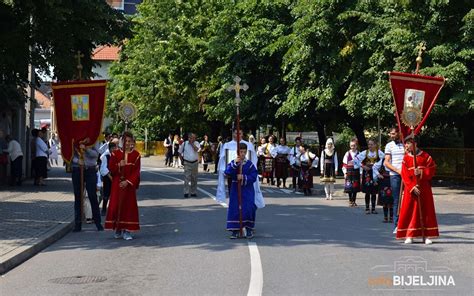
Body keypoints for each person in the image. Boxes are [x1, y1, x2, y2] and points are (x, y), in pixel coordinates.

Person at [396, 136, 438, 245]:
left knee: (426, 211)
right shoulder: (406, 158)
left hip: (424, 189)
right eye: (405, 143)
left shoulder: (426, 156)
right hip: (411, 189)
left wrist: (421, 172)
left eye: (408, 143)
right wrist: (411, 187)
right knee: (409, 211)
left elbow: (432, 170)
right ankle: (409, 235)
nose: (406, 146)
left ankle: (427, 235)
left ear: (414, 144)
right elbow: (404, 175)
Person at [216, 128, 264, 210]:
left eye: (240, 133)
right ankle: (234, 209)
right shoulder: (227, 145)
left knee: (246, 194)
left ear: (242, 134)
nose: (237, 135)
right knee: (234, 193)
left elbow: (253, 159)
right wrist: (224, 171)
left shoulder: (249, 145)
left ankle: (245, 209)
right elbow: (223, 160)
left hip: (246, 174)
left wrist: (252, 171)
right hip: (233, 175)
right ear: (233, 134)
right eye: (235, 133)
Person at [105, 132, 141, 240]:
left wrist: (128, 181)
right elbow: (111, 168)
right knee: (116, 206)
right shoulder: (115, 154)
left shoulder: (136, 155)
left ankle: (127, 230)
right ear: (122, 142)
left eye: (130, 141)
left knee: (128, 207)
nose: (127, 143)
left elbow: (136, 172)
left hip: (129, 186)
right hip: (117, 184)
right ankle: (118, 228)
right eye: (126, 141)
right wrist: (119, 165)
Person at [225, 142, 260, 239]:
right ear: (237, 152)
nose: (243, 154)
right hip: (236, 189)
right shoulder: (233, 163)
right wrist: (235, 164)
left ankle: (248, 229)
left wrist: (243, 177)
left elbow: (253, 176)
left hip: (247, 189)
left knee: (248, 208)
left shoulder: (249, 165)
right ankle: (235, 230)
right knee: (235, 208)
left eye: (244, 152)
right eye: (241, 152)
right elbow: (227, 172)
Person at [71, 139, 103, 232]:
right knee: (78, 196)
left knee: (92, 195)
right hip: (77, 169)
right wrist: (77, 161)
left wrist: (86, 149)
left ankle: (98, 222)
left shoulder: (94, 137)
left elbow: (96, 154)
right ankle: (78, 224)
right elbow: (69, 154)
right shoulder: (74, 137)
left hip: (90, 169)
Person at [383, 127, 405, 234]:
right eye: (391, 134)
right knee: (397, 200)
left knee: (409, 199)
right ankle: (397, 225)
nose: (392, 135)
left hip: (407, 175)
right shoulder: (389, 145)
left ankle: (409, 223)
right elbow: (386, 162)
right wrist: (398, 170)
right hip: (395, 175)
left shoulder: (406, 144)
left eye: (394, 133)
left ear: (399, 133)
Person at [355, 138, 385, 213]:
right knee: (367, 191)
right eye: (369, 144)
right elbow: (356, 159)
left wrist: (380, 169)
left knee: (374, 191)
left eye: (371, 144)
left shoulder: (379, 153)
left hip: (375, 173)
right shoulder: (365, 152)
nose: (370, 146)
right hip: (367, 174)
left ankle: (374, 208)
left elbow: (385, 160)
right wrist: (362, 166)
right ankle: (367, 208)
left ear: (375, 145)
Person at [179, 133, 200, 198]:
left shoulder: (197, 143)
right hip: (187, 162)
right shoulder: (184, 143)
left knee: (194, 178)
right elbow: (180, 152)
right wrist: (182, 160)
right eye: (191, 138)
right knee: (187, 178)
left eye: (194, 138)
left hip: (195, 162)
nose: (193, 139)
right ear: (189, 138)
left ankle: (193, 192)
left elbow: (197, 150)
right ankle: (186, 192)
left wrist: (192, 144)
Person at [99, 141, 118, 216]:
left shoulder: (115, 155)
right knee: (106, 193)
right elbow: (103, 169)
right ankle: (104, 209)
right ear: (110, 148)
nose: (114, 149)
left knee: (114, 194)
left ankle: (113, 209)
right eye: (113, 148)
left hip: (114, 176)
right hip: (107, 177)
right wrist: (110, 177)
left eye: (115, 148)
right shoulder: (106, 156)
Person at [342, 139, 360, 206]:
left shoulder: (359, 153)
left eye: (354, 145)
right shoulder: (347, 153)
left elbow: (361, 164)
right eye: (351, 145)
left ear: (356, 146)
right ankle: (350, 200)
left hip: (356, 172)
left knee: (355, 187)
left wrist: (361, 173)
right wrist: (345, 173)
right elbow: (344, 164)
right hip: (349, 171)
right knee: (349, 187)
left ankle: (354, 201)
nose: (352, 147)